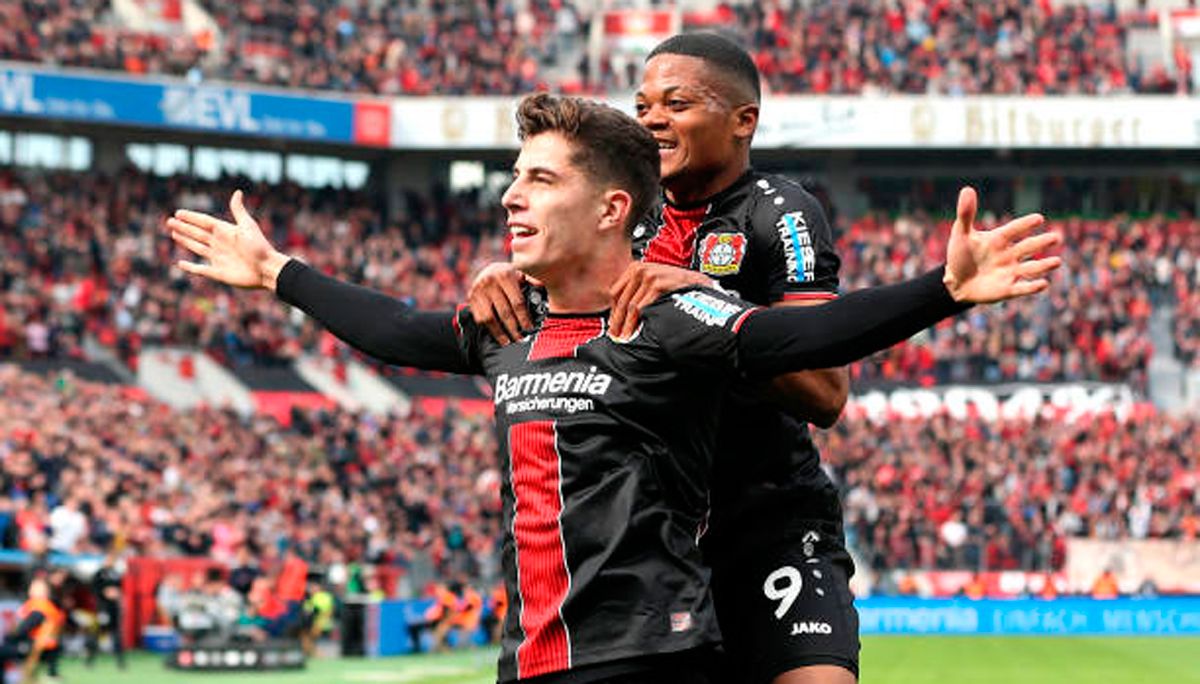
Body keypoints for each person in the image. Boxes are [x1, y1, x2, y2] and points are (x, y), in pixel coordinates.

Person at [167, 93, 1060, 683]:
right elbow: (397, 331)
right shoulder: (506, 324)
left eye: (540, 179)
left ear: (611, 209)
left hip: (655, 656)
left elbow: (798, 339)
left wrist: (941, 291)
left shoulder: (667, 318)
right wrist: (276, 269)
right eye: (514, 179)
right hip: (532, 661)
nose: (512, 198)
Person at [462, 32, 900, 683]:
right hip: (663, 542)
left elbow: (826, 393)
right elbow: (554, 300)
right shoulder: (622, 222)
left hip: (769, 519)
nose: (653, 120)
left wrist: (710, 303)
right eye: (643, 106)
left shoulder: (780, 214)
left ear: (742, 121)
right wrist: (511, 274)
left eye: (677, 103)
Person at [86, 549, 127, 669]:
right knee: (98, 633)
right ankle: (90, 660)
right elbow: (93, 589)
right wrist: (105, 593)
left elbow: (120, 588)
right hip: (103, 607)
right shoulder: (99, 573)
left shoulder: (116, 573)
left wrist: (117, 595)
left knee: (116, 634)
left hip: (114, 607)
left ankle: (120, 661)